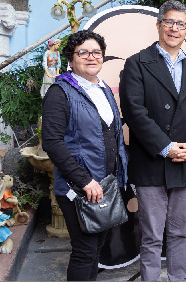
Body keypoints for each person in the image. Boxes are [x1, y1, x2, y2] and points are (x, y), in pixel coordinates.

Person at [119, 0, 186, 281]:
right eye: (169, 22)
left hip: (185, 162)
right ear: (159, 25)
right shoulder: (137, 63)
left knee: (179, 231)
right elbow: (135, 112)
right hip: (151, 164)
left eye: (181, 24)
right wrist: (166, 147)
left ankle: (179, 281)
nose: (174, 28)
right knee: (151, 235)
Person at [41, 30, 128, 280]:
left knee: (96, 249)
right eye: (83, 52)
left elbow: (108, 133)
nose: (91, 57)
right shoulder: (59, 92)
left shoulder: (102, 90)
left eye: (96, 52)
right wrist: (84, 180)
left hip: (104, 183)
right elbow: (53, 142)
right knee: (85, 250)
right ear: (71, 59)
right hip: (78, 186)